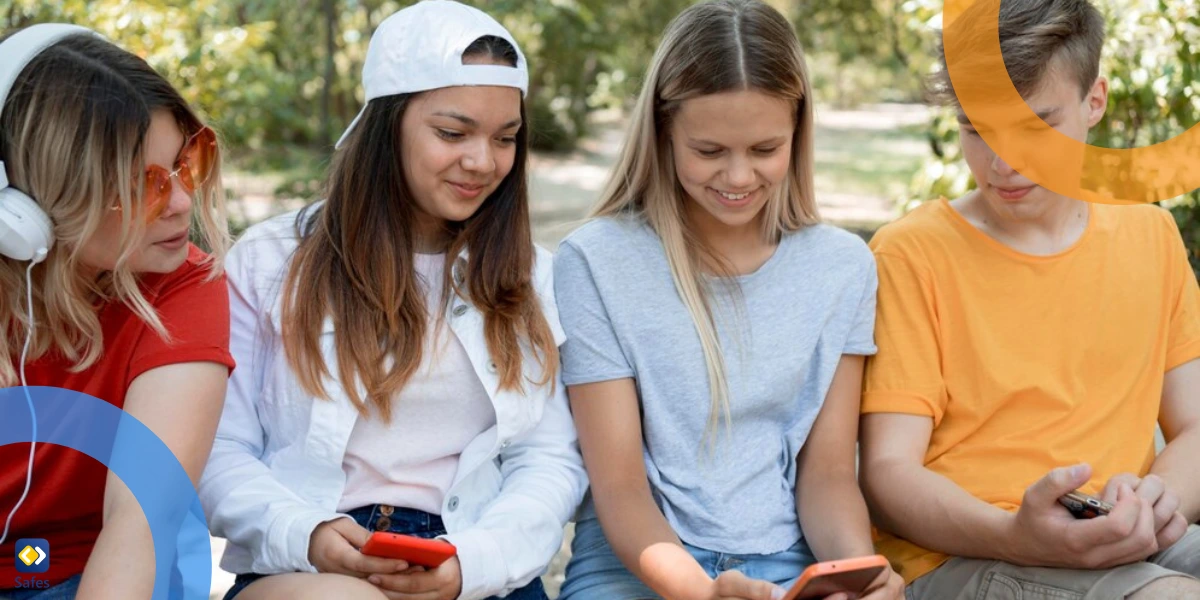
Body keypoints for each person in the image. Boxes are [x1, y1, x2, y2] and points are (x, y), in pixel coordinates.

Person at [197, 3, 587, 600]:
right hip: (310, 569)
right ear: (387, 126)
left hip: (472, 564)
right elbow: (220, 448)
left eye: (505, 138)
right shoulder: (272, 260)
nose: (482, 162)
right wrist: (307, 533)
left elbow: (549, 461)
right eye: (452, 134)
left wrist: (473, 564)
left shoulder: (533, 277)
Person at [553, 1, 904, 599]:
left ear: (798, 131)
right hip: (638, 561)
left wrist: (858, 572)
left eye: (765, 150)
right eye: (710, 151)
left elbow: (826, 473)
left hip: (790, 560)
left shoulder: (843, 268)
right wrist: (703, 593)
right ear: (664, 132)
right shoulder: (595, 261)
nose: (738, 177)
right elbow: (620, 488)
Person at [859, 1, 1200, 598]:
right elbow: (886, 474)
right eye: (976, 129)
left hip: (1116, 537)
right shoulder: (910, 254)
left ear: (1095, 100)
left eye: (1036, 126)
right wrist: (1014, 534)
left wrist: (1161, 497)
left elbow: (1195, 426)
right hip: (961, 556)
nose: (1002, 164)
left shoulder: (1150, 236)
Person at [0, 23, 234, 600]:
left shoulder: (185, 283)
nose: (182, 203)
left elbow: (139, 523)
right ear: (32, 201)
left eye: (186, 163)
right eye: (144, 185)